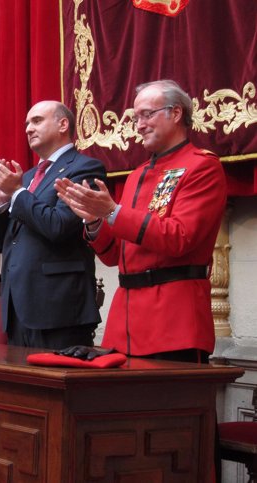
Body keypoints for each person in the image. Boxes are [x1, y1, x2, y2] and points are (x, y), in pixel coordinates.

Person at [55, 79, 226, 363]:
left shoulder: (202, 166)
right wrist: (95, 221)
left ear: (175, 113)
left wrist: (112, 212)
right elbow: (115, 256)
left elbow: (179, 238)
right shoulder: (137, 174)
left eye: (147, 114)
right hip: (125, 323)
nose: (140, 124)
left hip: (173, 320)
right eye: (136, 117)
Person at [0, 100, 106, 349]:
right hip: (17, 306)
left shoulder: (84, 168)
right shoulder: (27, 177)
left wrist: (17, 193)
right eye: (27, 123)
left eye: (37, 121)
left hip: (57, 307)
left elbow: (59, 226)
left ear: (63, 124)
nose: (28, 129)